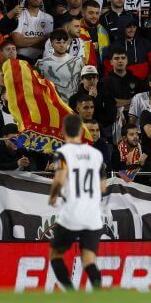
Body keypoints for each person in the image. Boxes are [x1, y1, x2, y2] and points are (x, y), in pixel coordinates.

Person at [47, 114, 106, 291]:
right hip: (92, 216)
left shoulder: (61, 154)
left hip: (71, 214)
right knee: (88, 261)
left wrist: (53, 196)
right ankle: (98, 292)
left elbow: (59, 179)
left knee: (55, 255)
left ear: (63, 131)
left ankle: (71, 292)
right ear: (82, 131)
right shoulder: (96, 154)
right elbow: (103, 188)